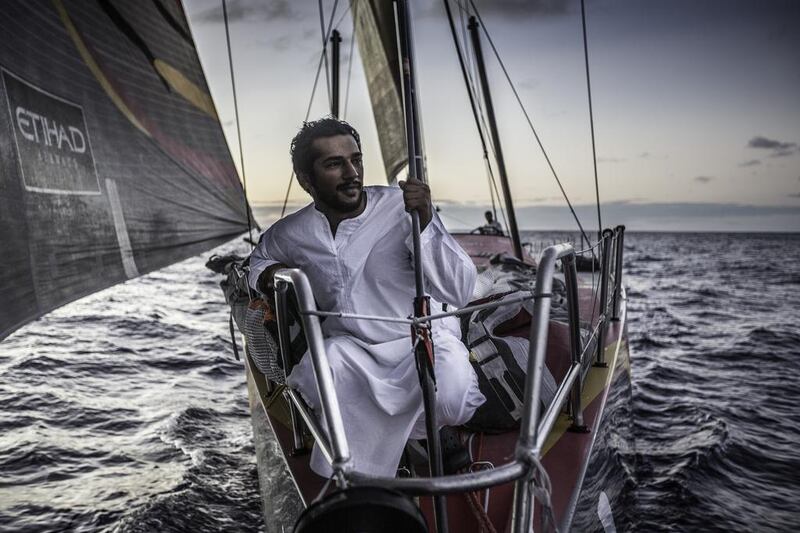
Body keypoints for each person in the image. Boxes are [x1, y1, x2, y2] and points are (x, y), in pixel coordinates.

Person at [248, 118, 485, 478]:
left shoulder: (401, 208)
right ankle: (365, 480)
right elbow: (257, 261)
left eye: (356, 160)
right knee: (321, 373)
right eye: (334, 164)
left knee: (452, 398)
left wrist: (424, 220)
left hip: (419, 336)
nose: (351, 173)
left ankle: (426, 432)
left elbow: (460, 290)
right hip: (352, 347)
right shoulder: (292, 232)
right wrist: (269, 275)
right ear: (306, 180)